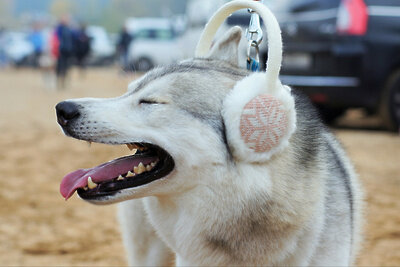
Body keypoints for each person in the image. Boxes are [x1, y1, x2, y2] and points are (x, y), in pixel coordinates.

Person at [55, 17, 74, 89]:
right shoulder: (59, 29)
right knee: (59, 68)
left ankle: (64, 83)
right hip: (60, 51)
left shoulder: (69, 29)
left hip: (67, 52)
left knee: (66, 68)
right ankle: (59, 82)